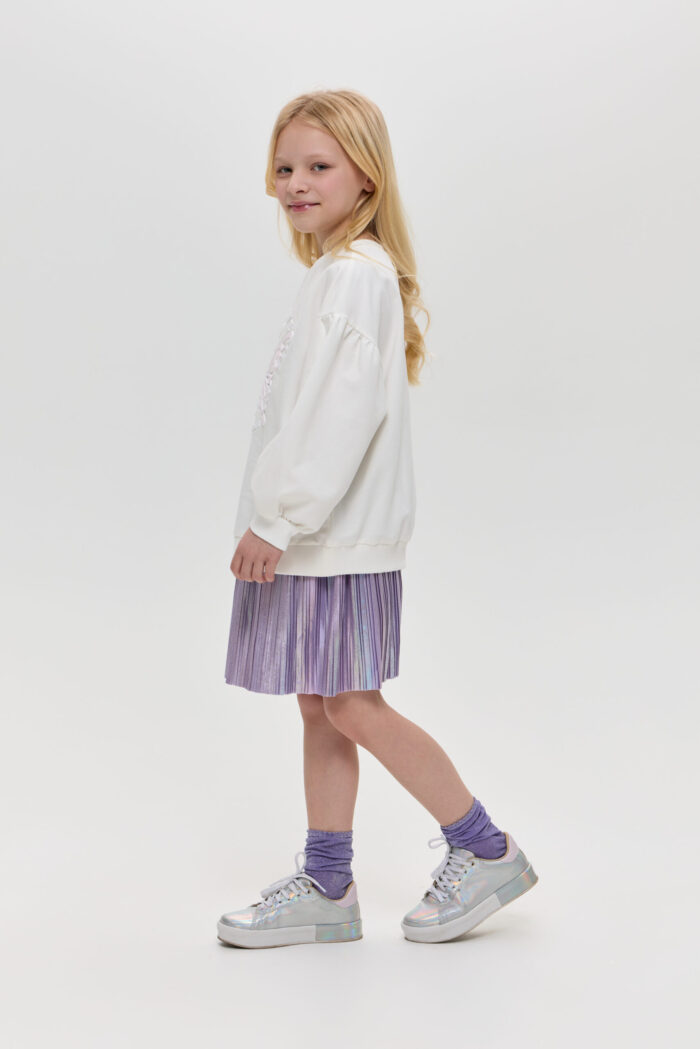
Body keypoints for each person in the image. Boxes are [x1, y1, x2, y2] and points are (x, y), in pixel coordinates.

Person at [217, 89, 537, 949]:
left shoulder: (355, 276)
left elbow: (338, 417)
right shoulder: (334, 274)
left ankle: (486, 847)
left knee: (351, 703)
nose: (295, 182)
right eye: (285, 167)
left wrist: (279, 518)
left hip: (333, 537)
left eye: (318, 165)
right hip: (320, 536)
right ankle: (329, 883)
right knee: (320, 704)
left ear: (367, 176)